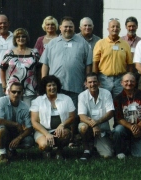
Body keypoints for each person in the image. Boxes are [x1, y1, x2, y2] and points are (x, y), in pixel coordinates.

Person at [40, 16, 92, 148]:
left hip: (76, 84)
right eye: (65, 26)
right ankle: (57, 138)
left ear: (74, 28)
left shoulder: (83, 43)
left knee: (72, 114)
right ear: (60, 28)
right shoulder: (52, 44)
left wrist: (87, 80)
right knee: (57, 113)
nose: (68, 29)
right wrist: (44, 81)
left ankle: (72, 139)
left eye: (70, 26)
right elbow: (45, 64)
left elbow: (88, 65)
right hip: (56, 87)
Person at [30, 75, 75, 160]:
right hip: (43, 131)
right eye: (49, 85)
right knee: (44, 145)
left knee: (66, 134)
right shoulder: (37, 101)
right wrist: (46, 134)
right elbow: (34, 122)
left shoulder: (66, 99)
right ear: (45, 87)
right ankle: (47, 150)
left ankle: (59, 151)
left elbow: (72, 117)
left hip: (60, 130)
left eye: (54, 85)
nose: (52, 87)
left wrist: (62, 125)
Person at [0, 82, 34, 163]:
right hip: (2, 130)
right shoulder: (1, 101)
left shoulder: (25, 107)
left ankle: (11, 149)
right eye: (13, 92)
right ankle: (2, 154)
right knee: (2, 130)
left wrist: (19, 138)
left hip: (15, 133)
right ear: (9, 92)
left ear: (22, 93)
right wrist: (16, 124)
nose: (16, 94)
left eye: (19, 92)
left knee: (29, 141)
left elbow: (29, 128)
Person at [113, 72, 141, 159]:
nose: (129, 83)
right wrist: (131, 127)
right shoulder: (118, 98)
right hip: (125, 128)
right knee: (118, 130)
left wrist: (139, 125)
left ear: (135, 82)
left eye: (132, 81)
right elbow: (119, 118)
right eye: (126, 81)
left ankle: (131, 147)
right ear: (121, 83)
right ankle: (120, 151)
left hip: (140, 129)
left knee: (140, 156)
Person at [77, 73, 114, 160]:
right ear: (85, 84)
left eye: (94, 82)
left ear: (99, 83)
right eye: (90, 82)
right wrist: (94, 125)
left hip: (102, 130)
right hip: (88, 127)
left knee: (107, 155)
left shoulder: (106, 93)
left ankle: (94, 146)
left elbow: (110, 112)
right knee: (83, 127)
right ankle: (86, 150)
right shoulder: (82, 96)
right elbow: (82, 116)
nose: (92, 84)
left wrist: (97, 122)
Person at [0, 28, 40, 106]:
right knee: (13, 112)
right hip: (13, 89)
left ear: (26, 38)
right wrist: (4, 84)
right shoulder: (9, 53)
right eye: (18, 37)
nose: (21, 38)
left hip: (30, 88)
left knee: (28, 112)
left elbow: (39, 70)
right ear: (15, 39)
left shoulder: (34, 52)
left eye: (23, 36)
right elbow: (2, 69)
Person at [93, 18, 133, 97]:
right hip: (104, 79)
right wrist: (95, 79)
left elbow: (130, 64)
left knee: (119, 103)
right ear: (108, 29)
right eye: (113, 26)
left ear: (120, 29)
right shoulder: (100, 43)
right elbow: (95, 62)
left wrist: (128, 78)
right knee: (104, 102)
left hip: (120, 80)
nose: (115, 28)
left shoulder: (125, 44)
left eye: (117, 27)